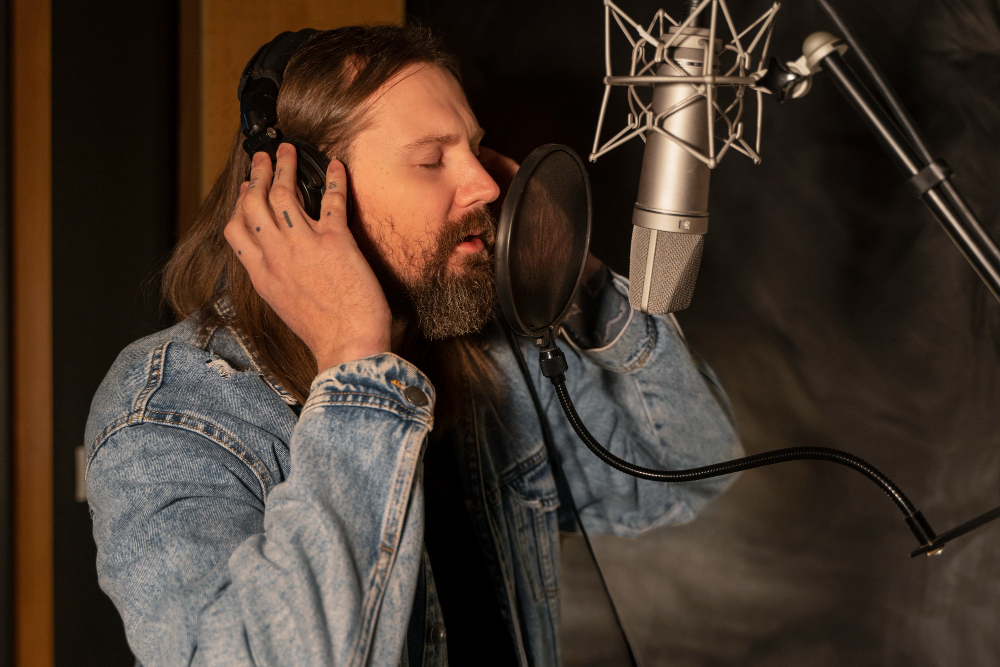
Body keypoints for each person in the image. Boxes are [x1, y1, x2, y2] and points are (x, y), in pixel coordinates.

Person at [85, 25, 740, 667]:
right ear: (308, 197)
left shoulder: (484, 352)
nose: (487, 185)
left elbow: (688, 471)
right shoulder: (170, 411)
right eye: (432, 160)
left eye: (474, 149)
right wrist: (355, 359)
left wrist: (569, 277)